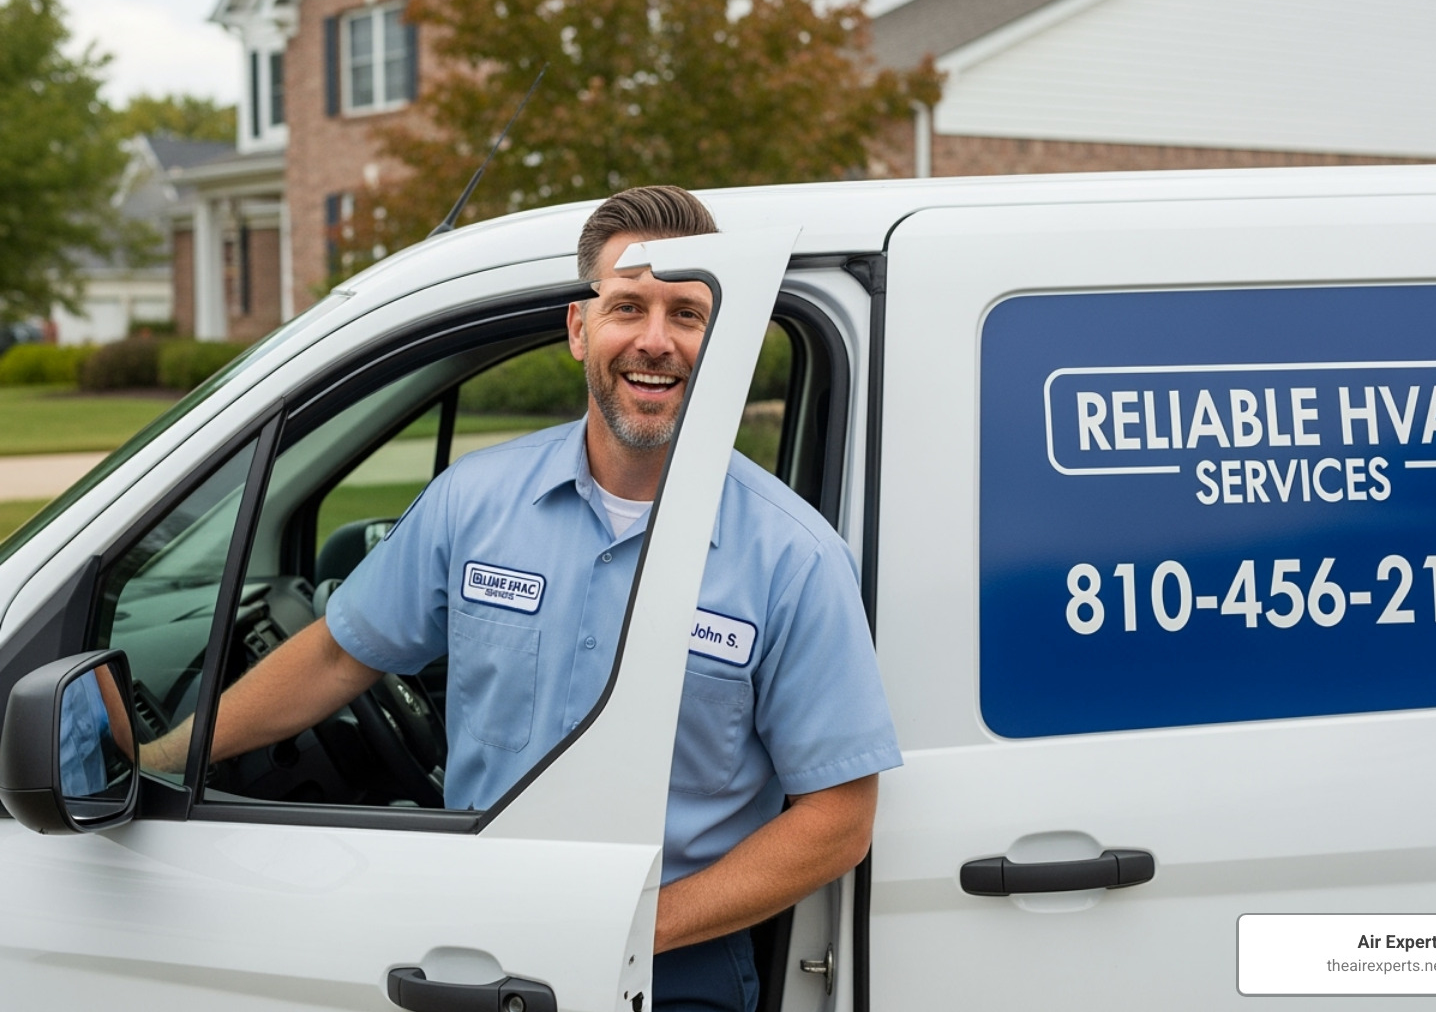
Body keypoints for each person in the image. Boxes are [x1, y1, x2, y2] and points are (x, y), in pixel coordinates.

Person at [147, 185, 901, 1012]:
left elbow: (837, 817)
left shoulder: (793, 557)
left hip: (677, 962)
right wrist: (167, 756)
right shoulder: (472, 503)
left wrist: (636, 928)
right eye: (627, 306)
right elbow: (337, 653)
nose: (656, 341)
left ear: (720, 337)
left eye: (688, 313)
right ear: (579, 328)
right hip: (475, 944)